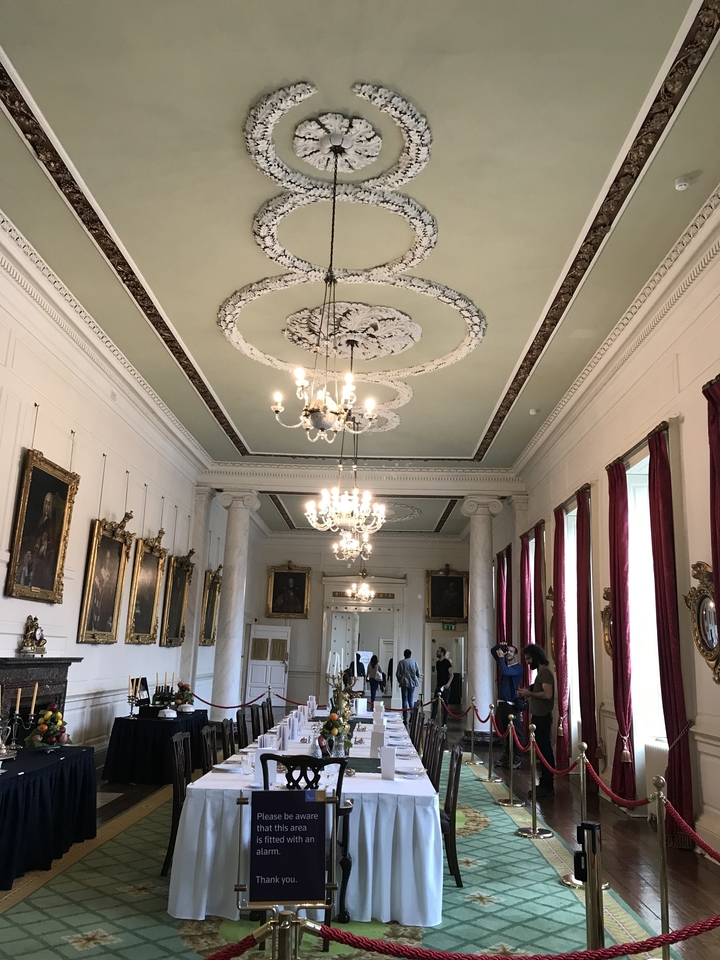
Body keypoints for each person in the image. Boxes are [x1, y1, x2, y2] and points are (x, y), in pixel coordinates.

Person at [518, 643, 556, 797]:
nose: (527, 662)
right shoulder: (541, 672)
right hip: (538, 716)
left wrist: (530, 694)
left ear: (535, 657)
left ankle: (547, 784)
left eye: (528, 658)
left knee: (545, 750)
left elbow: (547, 694)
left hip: (543, 716)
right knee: (541, 750)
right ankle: (544, 782)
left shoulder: (545, 672)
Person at [491, 643, 525, 767]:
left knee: (517, 731)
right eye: (507, 651)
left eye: (511, 651)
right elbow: (493, 651)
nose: (508, 653)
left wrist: (501, 658)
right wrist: (500, 645)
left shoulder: (518, 668)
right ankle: (507, 755)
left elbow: (506, 672)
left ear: (515, 655)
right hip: (502, 703)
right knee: (505, 731)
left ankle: (517, 757)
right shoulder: (503, 663)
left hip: (512, 704)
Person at [395, 648, 420, 723]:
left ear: (404, 655)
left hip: (404, 683)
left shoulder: (401, 662)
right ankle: (412, 713)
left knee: (404, 700)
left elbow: (397, 673)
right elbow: (418, 673)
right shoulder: (414, 662)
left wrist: (400, 680)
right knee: (411, 699)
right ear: (410, 654)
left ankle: (405, 717)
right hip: (412, 683)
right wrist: (416, 679)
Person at [431, 647, 453, 723]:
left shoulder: (447, 662)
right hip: (439, 685)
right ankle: (432, 720)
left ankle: (444, 722)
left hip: (445, 686)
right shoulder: (437, 663)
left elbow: (451, 674)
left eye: (438, 651)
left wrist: (448, 684)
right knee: (435, 703)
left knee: (445, 704)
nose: (437, 652)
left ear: (442, 653)